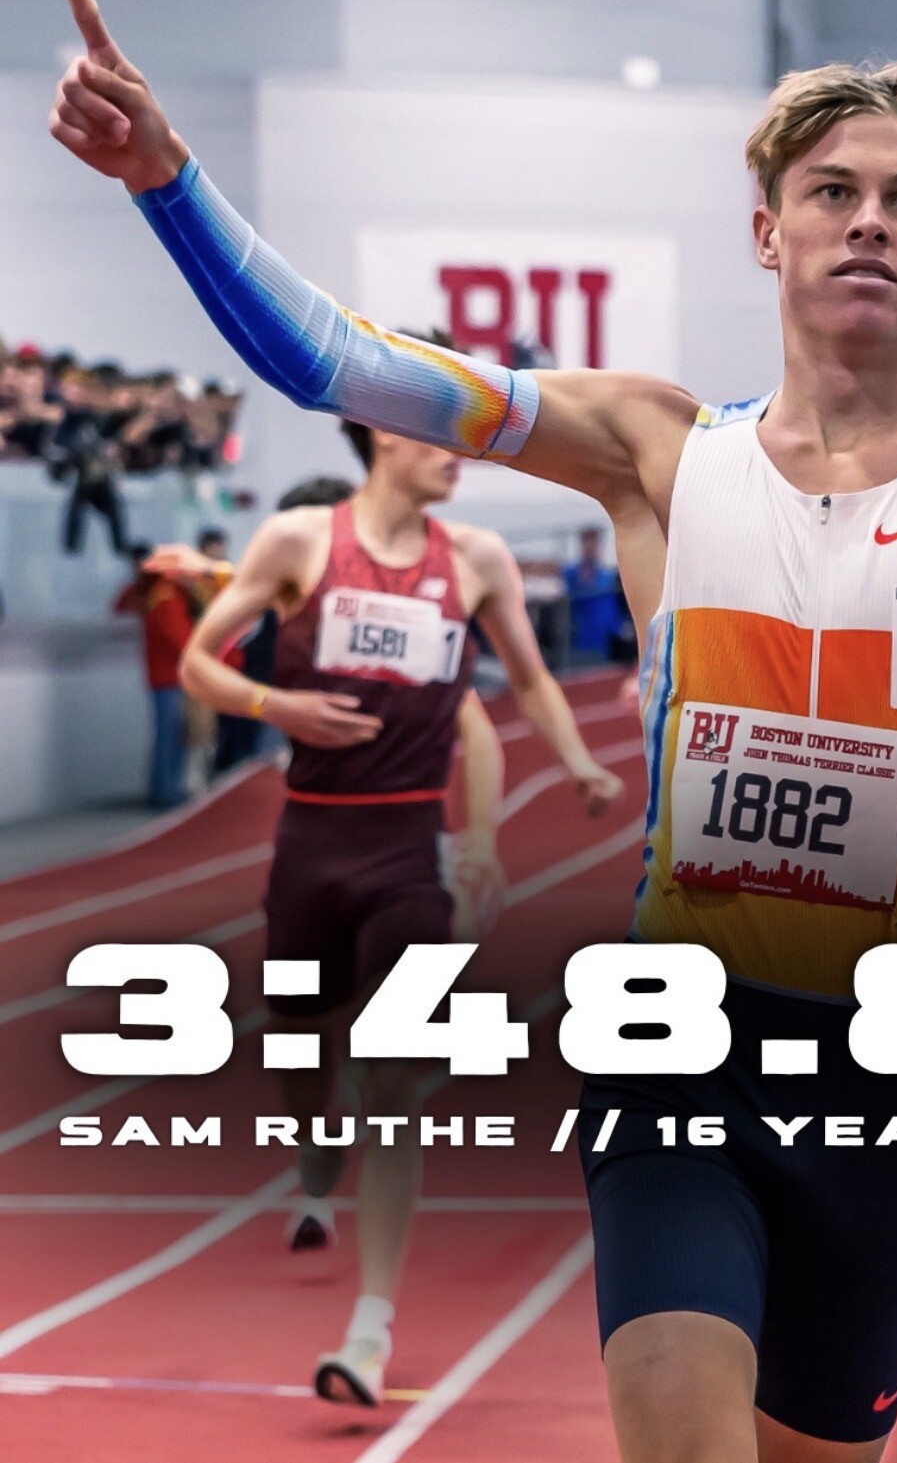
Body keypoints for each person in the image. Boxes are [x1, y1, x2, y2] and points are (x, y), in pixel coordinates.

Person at [51, 0, 897, 1460]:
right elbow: (341, 364)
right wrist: (166, 182)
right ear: (769, 231)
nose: (869, 221)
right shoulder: (655, 450)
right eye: (832, 191)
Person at [169, 416, 623, 1407]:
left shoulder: (478, 559)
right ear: (380, 435)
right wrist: (276, 707)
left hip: (409, 851)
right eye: (440, 437)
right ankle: (313, 1141)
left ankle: (370, 1326)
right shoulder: (300, 542)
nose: (460, 454)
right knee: (299, 1046)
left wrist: (579, 761)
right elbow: (200, 662)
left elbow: (530, 680)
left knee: (391, 1079)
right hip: (311, 842)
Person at [112, 543, 192, 809]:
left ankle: (167, 788)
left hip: (167, 673)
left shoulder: (157, 592)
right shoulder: (161, 594)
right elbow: (175, 635)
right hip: (169, 674)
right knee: (170, 736)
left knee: (172, 735)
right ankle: (165, 791)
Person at [563, 525, 626, 658]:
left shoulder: (610, 576)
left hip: (611, 643)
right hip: (584, 644)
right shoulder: (572, 574)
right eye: (586, 541)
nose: (590, 547)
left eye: (593, 541)